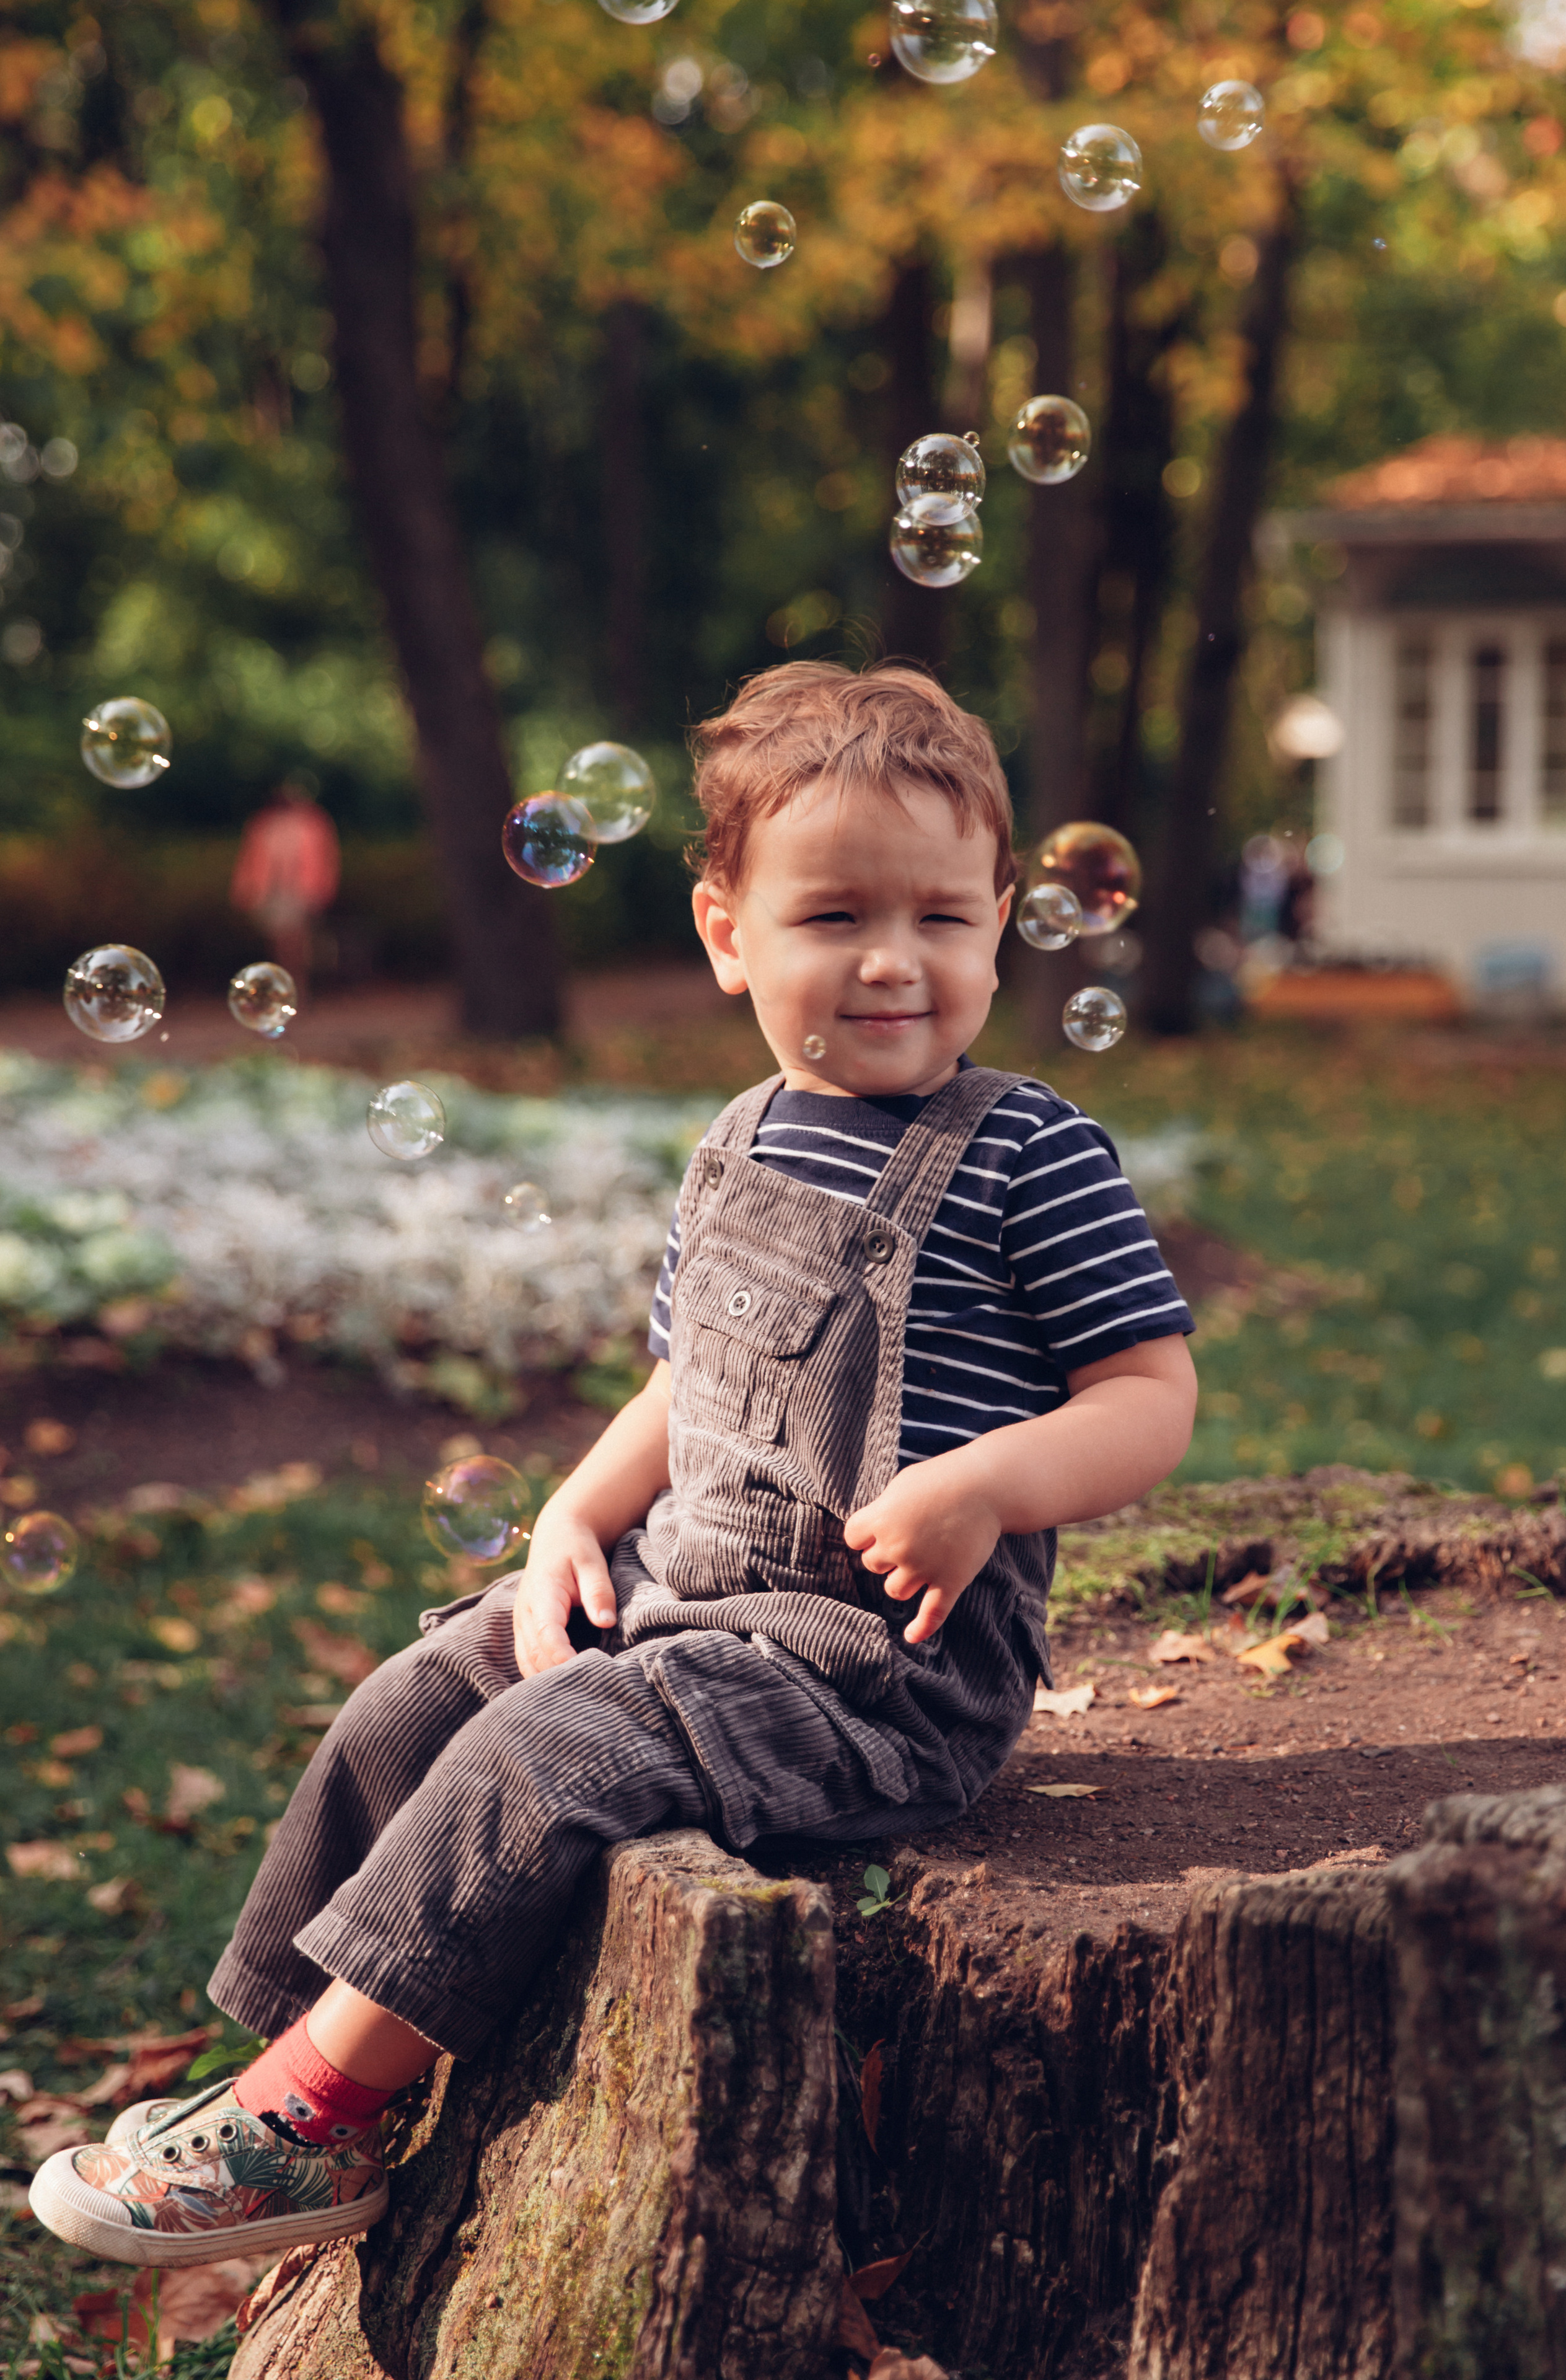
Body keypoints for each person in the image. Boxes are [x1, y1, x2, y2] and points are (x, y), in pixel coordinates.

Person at [30, 661, 1198, 2269]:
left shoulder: (1026, 1151)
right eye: (833, 915)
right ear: (728, 932)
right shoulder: (740, 1138)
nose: (890, 961)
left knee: (554, 1741)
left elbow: (1151, 1393)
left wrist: (995, 1481)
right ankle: (291, 2062)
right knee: (429, 1690)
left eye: (941, 917)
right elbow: (690, 1382)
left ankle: (314, 2118)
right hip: (699, 1607)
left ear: (1004, 917)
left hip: (877, 1674)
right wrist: (579, 1509)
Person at [229, 778, 340, 993]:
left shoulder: (312, 823)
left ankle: (294, 989)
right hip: (271, 893)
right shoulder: (264, 824)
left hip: (301, 892)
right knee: (279, 942)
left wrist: (322, 888)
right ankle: (286, 989)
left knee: (295, 942)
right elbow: (251, 860)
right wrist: (245, 891)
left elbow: (325, 859)